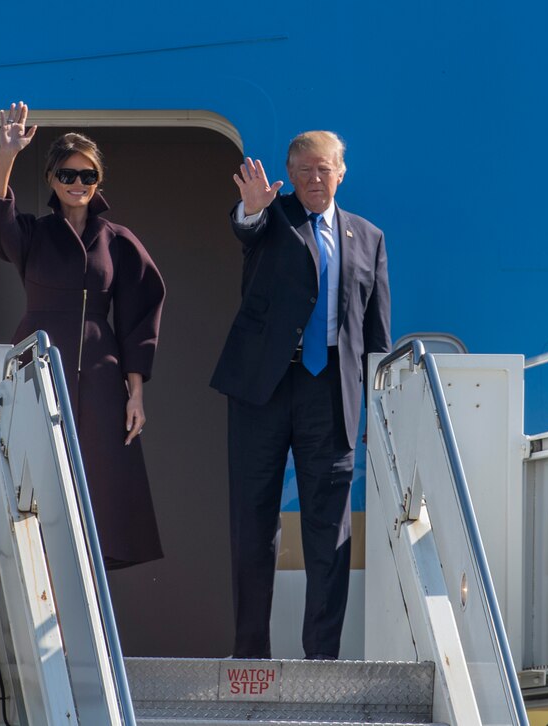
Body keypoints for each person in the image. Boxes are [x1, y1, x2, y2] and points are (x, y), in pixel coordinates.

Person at [211, 131, 390, 659]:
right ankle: (250, 654)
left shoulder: (369, 237)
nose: (314, 180)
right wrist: (250, 210)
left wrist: (376, 407)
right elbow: (246, 230)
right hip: (262, 390)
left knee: (328, 531)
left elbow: (376, 335)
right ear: (290, 176)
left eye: (324, 169)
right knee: (253, 522)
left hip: (330, 391)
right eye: (304, 171)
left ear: (341, 173)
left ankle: (322, 659)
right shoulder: (271, 217)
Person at [0, 102, 165, 569]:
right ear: (52, 180)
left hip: (103, 374)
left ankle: (92, 601)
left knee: (100, 485)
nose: (78, 184)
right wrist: (8, 153)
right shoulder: (34, 234)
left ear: (99, 182)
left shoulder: (117, 240)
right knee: (35, 474)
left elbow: (141, 313)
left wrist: (135, 394)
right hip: (38, 366)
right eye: (68, 174)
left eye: (88, 176)